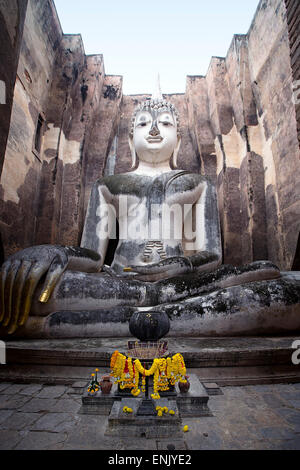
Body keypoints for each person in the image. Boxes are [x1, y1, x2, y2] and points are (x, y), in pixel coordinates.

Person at [0, 96, 279, 336]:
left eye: (166, 123)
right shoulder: (108, 185)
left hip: (181, 285)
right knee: (32, 289)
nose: (155, 130)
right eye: (144, 123)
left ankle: (93, 323)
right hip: (120, 282)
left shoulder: (198, 183)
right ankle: (171, 318)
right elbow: (94, 258)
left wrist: (184, 265)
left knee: (281, 289)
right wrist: (57, 252)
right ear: (131, 137)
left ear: (178, 139)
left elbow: (212, 255)